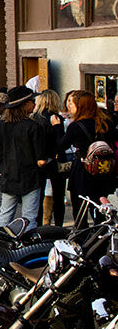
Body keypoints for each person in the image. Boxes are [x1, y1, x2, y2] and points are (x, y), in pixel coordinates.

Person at [0, 86, 48, 228]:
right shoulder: (34, 127)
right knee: (29, 217)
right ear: (23, 104)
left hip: (9, 174)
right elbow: (41, 160)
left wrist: (4, 162)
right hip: (31, 177)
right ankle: (27, 248)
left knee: (5, 215)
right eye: (31, 101)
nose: (34, 104)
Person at [59, 90, 118, 227]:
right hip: (102, 170)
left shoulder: (76, 126)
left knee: (80, 209)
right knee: (98, 206)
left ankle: (82, 240)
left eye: (72, 103)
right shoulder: (105, 123)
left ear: (80, 106)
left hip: (82, 169)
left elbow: (62, 145)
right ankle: (100, 239)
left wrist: (57, 127)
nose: (69, 106)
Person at [32, 90, 66, 226]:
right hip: (55, 159)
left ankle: (39, 225)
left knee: (38, 196)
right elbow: (60, 142)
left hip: (38, 159)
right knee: (59, 196)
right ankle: (59, 225)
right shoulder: (56, 118)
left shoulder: (34, 118)